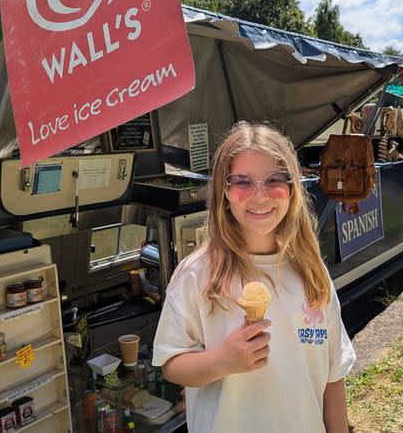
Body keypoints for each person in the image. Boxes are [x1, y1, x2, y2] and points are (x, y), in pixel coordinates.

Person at [152, 122, 355, 433]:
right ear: (224, 193)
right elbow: (171, 364)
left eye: (274, 179)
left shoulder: (312, 271)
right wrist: (222, 361)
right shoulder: (197, 275)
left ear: (292, 189)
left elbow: (332, 376)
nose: (260, 197)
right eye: (242, 182)